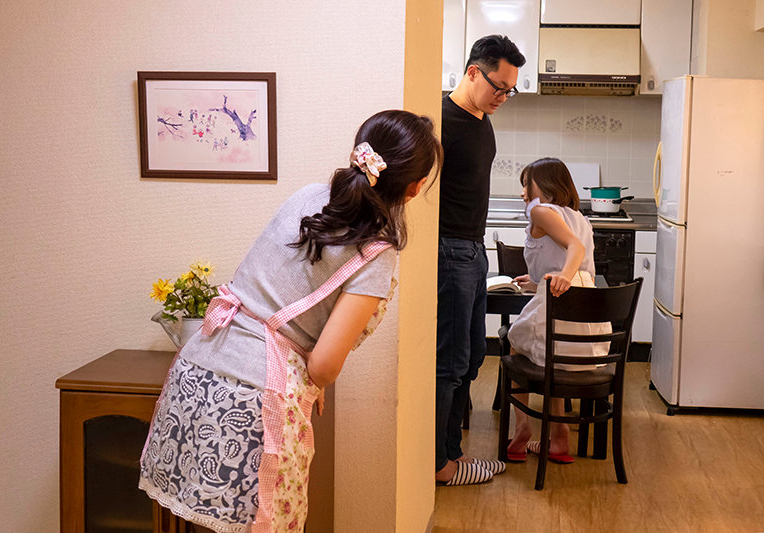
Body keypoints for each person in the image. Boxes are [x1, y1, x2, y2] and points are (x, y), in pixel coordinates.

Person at [138, 110, 442, 533]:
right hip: (251, 401)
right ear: (414, 188)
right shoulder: (376, 251)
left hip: (196, 370)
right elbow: (323, 366)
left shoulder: (308, 195)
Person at [435, 34, 526, 486]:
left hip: (473, 251)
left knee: (472, 358)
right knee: (450, 364)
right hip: (448, 252)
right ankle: (439, 465)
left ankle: (452, 454)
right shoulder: (440, 121)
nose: (503, 98)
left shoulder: (481, 119)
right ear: (473, 72)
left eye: (510, 91)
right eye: (498, 87)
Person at [505, 157, 608, 464]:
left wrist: (562, 276)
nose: (523, 192)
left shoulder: (540, 210)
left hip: (560, 301)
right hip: (589, 328)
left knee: (515, 342)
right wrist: (537, 282)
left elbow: (575, 248)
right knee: (554, 354)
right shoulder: (580, 217)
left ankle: (522, 428)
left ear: (544, 185)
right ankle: (559, 437)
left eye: (527, 184)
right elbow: (575, 262)